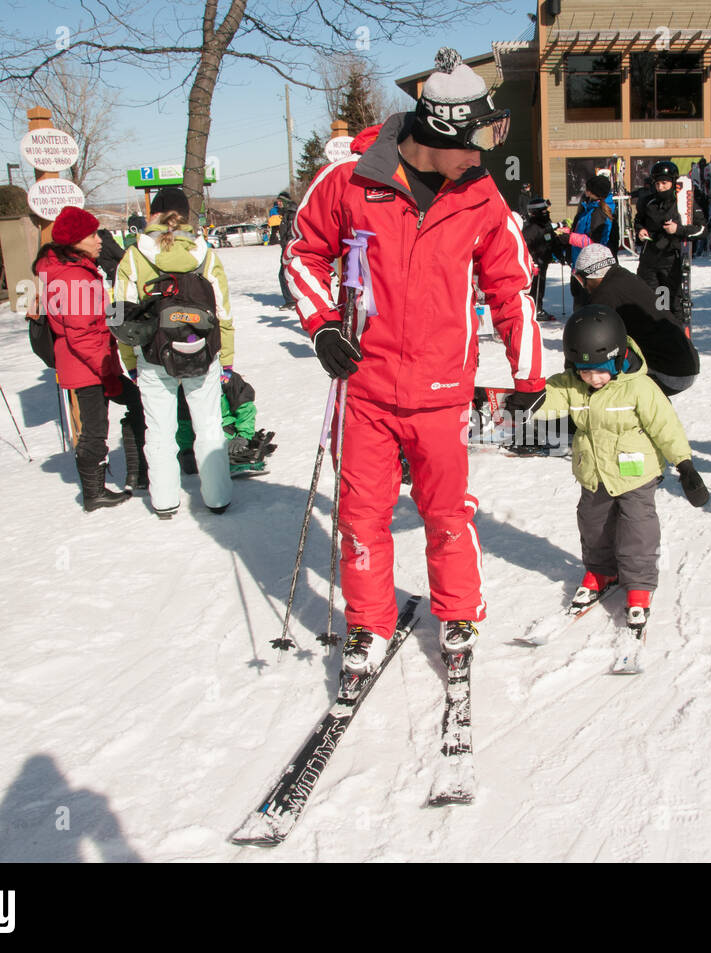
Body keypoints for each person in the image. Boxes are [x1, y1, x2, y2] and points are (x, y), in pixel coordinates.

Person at [285, 47, 545, 675]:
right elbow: (302, 253)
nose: (483, 156)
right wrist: (322, 326)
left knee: (446, 511)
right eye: (477, 140)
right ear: (441, 130)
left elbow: (511, 284)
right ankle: (368, 624)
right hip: (365, 388)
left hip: (442, 389)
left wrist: (529, 371)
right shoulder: (348, 180)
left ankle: (457, 610)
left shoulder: (481, 196)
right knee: (360, 515)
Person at [533, 305, 708, 628]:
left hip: (636, 474)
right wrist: (530, 398)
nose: (592, 379)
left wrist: (685, 465)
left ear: (617, 358)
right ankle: (601, 570)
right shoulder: (573, 384)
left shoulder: (640, 388)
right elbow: (552, 397)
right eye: (584, 372)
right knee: (592, 524)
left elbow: (665, 427)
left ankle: (639, 586)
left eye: (599, 371)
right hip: (594, 471)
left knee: (637, 530)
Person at [113, 186, 235, 519]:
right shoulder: (205, 253)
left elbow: (119, 315)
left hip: (152, 354)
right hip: (201, 349)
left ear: (153, 215)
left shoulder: (134, 256)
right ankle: (217, 497)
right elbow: (222, 312)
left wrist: (130, 361)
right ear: (186, 216)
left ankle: (165, 500)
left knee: (160, 429)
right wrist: (226, 360)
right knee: (209, 424)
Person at [34, 205, 146, 511]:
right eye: (92, 234)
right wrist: (107, 373)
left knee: (131, 404)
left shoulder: (71, 270)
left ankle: (135, 473)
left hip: (88, 363)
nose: (99, 240)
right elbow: (81, 333)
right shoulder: (73, 277)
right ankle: (94, 491)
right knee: (96, 428)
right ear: (75, 240)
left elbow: (94, 318)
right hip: (88, 367)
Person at [572, 243, 699, 395]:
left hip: (670, 373)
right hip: (686, 363)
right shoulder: (624, 277)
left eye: (580, 279)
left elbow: (588, 343)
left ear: (590, 275)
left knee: (603, 379)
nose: (584, 287)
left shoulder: (604, 295)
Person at [633, 160, 706, 318]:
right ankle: (653, 337)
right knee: (649, 303)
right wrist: (641, 230)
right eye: (658, 183)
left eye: (664, 183)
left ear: (673, 182)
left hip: (671, 261)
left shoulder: (684, 203)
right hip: (649, 261)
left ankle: (674, 336)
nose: (660, 187)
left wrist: (678, 229)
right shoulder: (649, 202)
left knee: (671, 304)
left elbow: (701, 229)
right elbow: (638, 221)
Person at [559, 174, 616, 307]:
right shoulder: (589, 209)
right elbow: (583, 232)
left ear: (593, 191)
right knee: (579, 299)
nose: (585, 190)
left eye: (588, 188)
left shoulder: (598, 212)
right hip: (581, 262)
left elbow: (594, 242)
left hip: (591, 267)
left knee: (585, 305)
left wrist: (570, 238)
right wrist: (568, 232)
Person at [522, 197, 563, 321]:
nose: (546, 213)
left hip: (544, 261)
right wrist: (533, 259)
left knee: (541, 286)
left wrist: (560, 254)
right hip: (534, 264)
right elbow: (525, 246)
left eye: (547, 210)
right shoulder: (531, 228)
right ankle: (533, 309)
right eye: (544, 210)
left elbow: (552, 241)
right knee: (534, 287)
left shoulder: (546, 225)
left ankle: (538, 307)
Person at [273, 190, 297, 306]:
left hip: (290, 249)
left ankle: (290, 300)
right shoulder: (285, 214)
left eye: (280, 202)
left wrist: (287, 247)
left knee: (284, 274)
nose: (278, 204)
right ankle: (292, 298)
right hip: (286, 247)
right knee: (287, 274)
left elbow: (292, 233)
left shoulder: (291, 214)